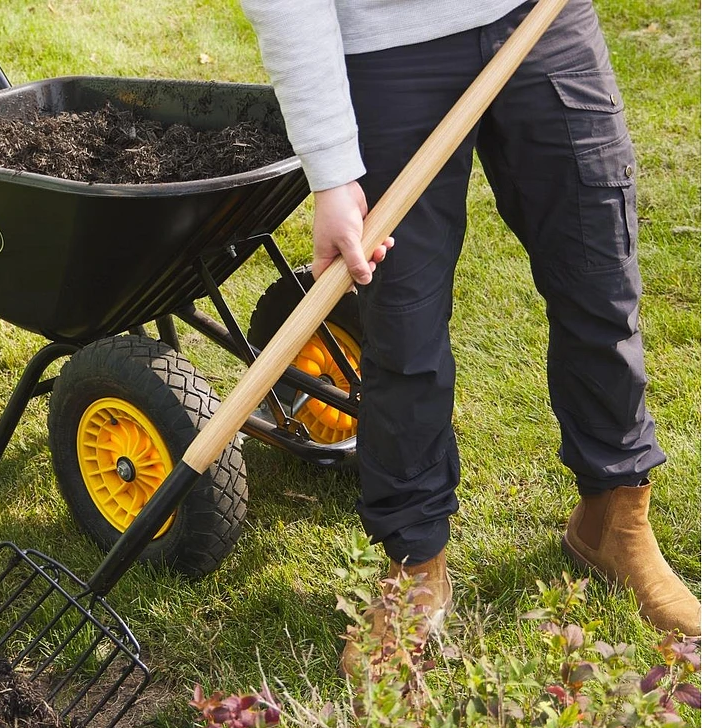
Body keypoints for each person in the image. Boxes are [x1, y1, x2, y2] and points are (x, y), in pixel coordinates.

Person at [239, 0, 700, 645]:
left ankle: (614, 520)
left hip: (541, 19)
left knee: (600, 279)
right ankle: (414, 558)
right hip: (385, 50)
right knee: (403, 322)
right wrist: (333, 170)